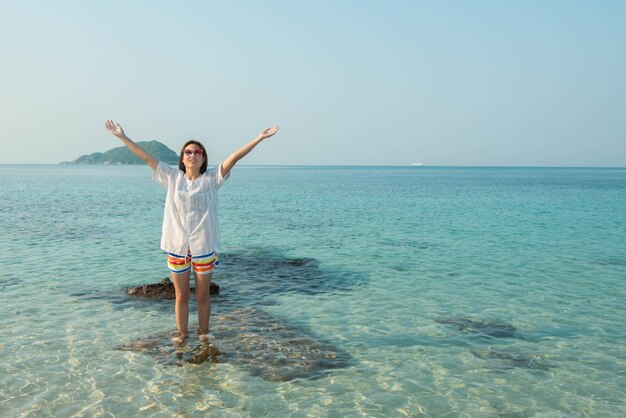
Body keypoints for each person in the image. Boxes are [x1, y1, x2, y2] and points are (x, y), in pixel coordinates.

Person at [105, 119, 279, 343]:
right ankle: (182, 335)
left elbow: (234, 158)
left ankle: (204, 334)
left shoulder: (211, 180)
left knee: (203, 295)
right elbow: (146, 157)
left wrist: (259, 138)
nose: (192, 155)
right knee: (181, 296)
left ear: (203, 158)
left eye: (197, 152)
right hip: (177, 245)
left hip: (204, 246)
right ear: (182, 157)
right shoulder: (172, 177)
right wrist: (122, 136)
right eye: (188, 152)